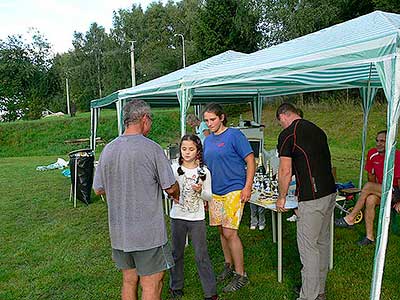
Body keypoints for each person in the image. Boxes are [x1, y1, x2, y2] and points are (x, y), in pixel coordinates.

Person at [93, 100, 180, 300]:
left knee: (129, 281)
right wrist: (177, 192)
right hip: (147, 234)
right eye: (150, 120)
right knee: (152, 283)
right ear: (144, 119)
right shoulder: (152, 148)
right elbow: (169, 186)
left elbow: (98, 189)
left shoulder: (108, 150)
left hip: (119, 232)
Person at [276, 103, 336, 300]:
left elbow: (285, 170)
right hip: (330, 192)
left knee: (308, 247)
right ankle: (319, 291)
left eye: (280, 123)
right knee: (322, 242)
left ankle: (308, 296)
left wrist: (282, 197)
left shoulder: (288, 134)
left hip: (312, 197)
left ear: (283, 117)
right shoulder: (317, 129)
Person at [203, 103, 255, 293]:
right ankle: (228, 265)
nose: (209, 123)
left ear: (222, 117)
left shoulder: (234, 135)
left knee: (230, 232)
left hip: (234, 188)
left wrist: (247, 187)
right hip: (215, 192)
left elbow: (250, 160)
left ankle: (241, 275)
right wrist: (205, 194)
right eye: (206, 120)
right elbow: (206, 168)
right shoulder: (207, 140)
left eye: (213, 119)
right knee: (221, 231)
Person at [169, 134, 218, 300]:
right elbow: (166, 189)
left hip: (196, 218)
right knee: (176, 253)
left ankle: (210, 292)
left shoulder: (204, 172)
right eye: (184, 149)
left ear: (198, 151)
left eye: (191, 149)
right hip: (177, 216)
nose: (187, 152)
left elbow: (209, 196)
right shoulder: (174, 169)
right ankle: (176, 287)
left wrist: (200, 191)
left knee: (201, 255)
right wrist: (171, 194)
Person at [335, 130, 400, 246]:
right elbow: (371, 177)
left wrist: (399, 201)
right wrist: (374, 191)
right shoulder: (372, 153)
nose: (378, 144)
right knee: (370, 199)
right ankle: (369, 237)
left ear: (389, 142)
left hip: (396, 191)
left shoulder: (397, 155)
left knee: (368, 186)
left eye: (382, 141)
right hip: (382, 190)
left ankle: (351, 218)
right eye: (377, 140)